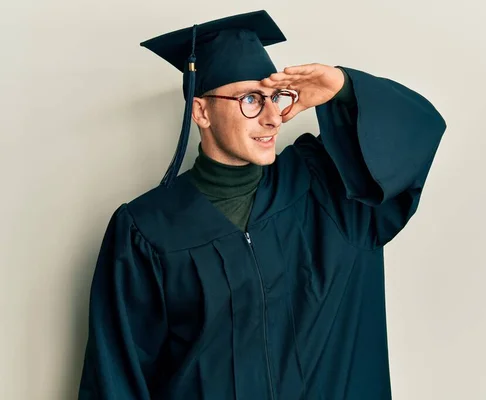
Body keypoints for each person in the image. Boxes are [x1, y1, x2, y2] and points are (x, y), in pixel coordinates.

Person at [78, 9, 447, 400]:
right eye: (251, 99)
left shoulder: (326, 188)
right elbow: (117, 378)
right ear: (201, 111)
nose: (273, 117)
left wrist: (342, 86)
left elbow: (417, 134)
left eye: (275, 97)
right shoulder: (147, 228)